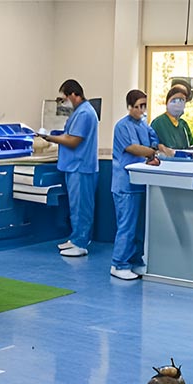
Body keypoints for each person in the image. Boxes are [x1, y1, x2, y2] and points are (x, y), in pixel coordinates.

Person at [40, 79, 99, 257]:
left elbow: (73, 141)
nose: (64, 101)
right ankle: (75, 239)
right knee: (75, 206)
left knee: (82, 207)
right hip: (75, 166)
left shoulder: (85, 114)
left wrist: (49, 138)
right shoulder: (80, 112)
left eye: (64, 97)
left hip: (81, 167)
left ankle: (81, 243)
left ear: (74, 94)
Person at [110, 89, 160, 281]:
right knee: (127, 226)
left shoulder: (143, 125)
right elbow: (133, 148)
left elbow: (154, 140)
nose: (141, 110)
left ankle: (135, 262)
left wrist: (155, 148)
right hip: (125, 185)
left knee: (139, 228)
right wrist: (152, 153)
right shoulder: (122, 126)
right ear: (129, 106)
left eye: (144, 106)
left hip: (140, 184)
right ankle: (119, 264)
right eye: (138, 106)